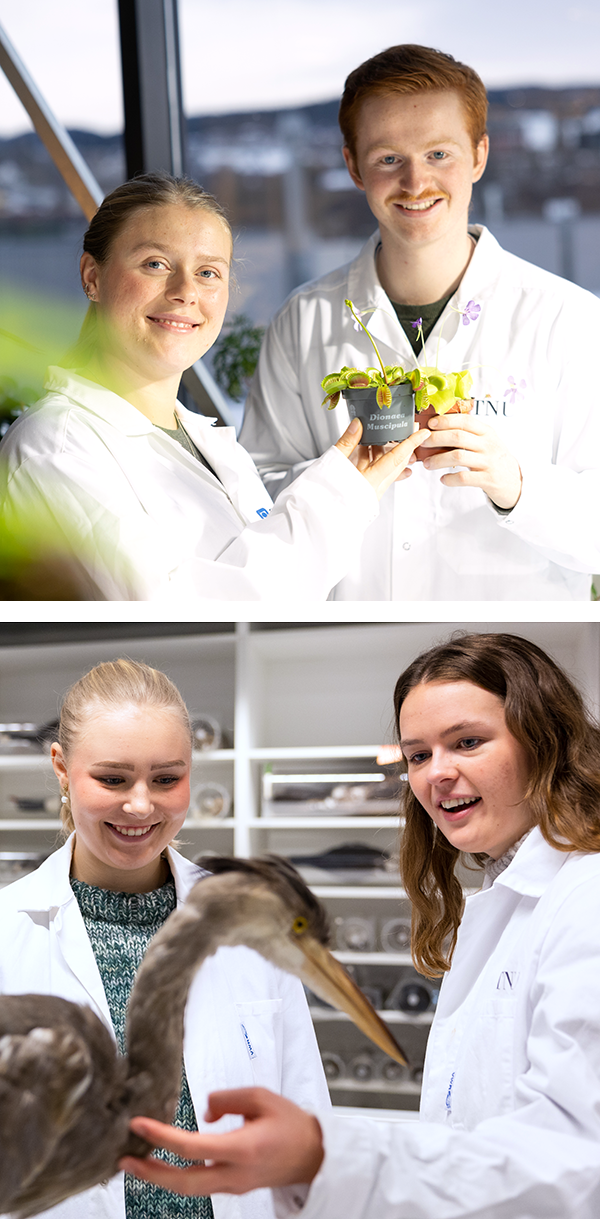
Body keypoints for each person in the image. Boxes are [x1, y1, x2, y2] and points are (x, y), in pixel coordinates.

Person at [122, 632, 600, 1218]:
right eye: (418, 755)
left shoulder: (585, 898)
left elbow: (574, 1161)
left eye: (468, 742)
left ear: (544, 739)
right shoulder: (503, 897)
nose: (436, 774)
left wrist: (325, 1157)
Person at [239, 44, 600, 601]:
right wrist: (338, 479)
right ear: (354, 166)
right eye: (388, 159)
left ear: (479, 156)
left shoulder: (571, 320)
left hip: (514, 647)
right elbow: (255, 507)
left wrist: (517, 484)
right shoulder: (302, 321)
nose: (415, 182)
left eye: (439, 154)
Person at [0, 658, 331, 1219]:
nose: (140, 805)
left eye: (166, 778)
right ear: (60, 766)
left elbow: (304, 1116)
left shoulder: (246, 923)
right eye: (112, 778)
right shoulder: (10, 930)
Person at [0, 173, 425, 603]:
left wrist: (347, 486)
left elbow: (270, 581)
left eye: (207, 272)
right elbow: (181, 609)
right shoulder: (54, 448)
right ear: (92, 276)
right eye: (155, 264)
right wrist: (338, 497)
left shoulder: (210, 445)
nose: (186, 292)